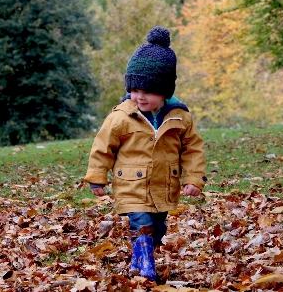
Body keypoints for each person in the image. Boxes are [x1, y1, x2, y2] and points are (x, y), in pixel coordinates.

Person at [84, 26, 207, 281]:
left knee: (158, 228)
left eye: (147, 91)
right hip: (131, 184)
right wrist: (97, 175)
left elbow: (193, 148)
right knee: (142, 224)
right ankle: (146, 268)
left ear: (164, 91)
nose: (139, 96)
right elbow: (103, 145)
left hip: (164, 186)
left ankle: (139, 260)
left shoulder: (180, 117)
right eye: (135, 90)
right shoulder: (122, 116)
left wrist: (194, 179)